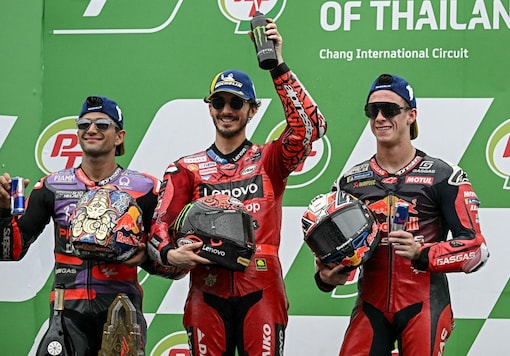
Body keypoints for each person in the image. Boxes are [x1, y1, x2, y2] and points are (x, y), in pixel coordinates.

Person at [147, 19, 327, 356]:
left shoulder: (270, 159)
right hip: (206, 290)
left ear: (252, 109)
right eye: (219, 103)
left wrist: (278, 66)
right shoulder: (185, 169)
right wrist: (171, 254)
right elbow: (157, 230)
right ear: (210, 107)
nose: (227, 110)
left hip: (262, 289)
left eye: (236, 103)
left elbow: (311, 127)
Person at [314, 73, 490, 356]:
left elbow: (477, 250)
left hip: (424, 306)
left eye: (391, 109)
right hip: (370, 306)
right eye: (373, 110)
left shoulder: (444, 176)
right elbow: (336, 258)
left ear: (411, 115)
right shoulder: (350, 182)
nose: (380, 117)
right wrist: (327, 276)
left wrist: (423, 253)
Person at [0, 95, 185, 355]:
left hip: (122, 310)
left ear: (119, 136)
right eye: (84, 124)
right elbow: (10, 250)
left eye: (102, 124)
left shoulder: (145, 189)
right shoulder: (53, 186)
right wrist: (2, 211)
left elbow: (175, 266)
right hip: (66, 313)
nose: (91, 129)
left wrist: (144, 255)